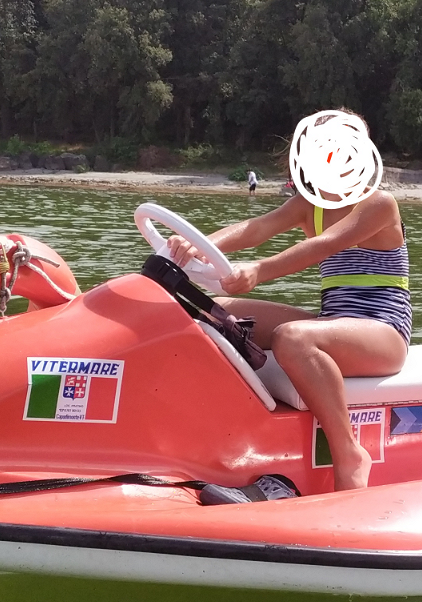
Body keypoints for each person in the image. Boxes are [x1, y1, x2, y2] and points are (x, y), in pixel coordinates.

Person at [168, 110, 409, 492]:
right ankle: (211, 437)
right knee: (213, 310)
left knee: (293, 338)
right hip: (334, 323)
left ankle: (348, 453)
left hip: (384, 333)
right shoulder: (307, 205)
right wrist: (195, 246)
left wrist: (259, 271)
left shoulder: (379, 204)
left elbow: (325, 244)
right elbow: (256, 228)